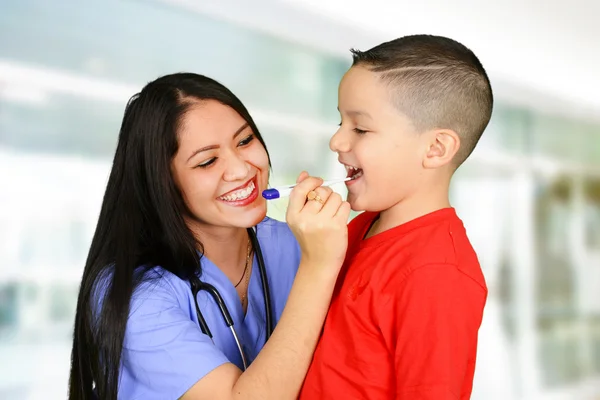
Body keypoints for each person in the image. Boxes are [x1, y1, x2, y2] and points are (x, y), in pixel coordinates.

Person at [67, 72, 351, 400]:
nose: (243, 170)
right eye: (208, 161)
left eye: (245, 141)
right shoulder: (134, 295)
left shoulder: (294, 244)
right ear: (163, 184)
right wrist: (317, 268)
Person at [299, 34, 493, 399]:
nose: (337, 142)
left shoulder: (438, 274)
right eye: (340, 122)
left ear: (435, 149)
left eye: (359, 128)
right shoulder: (358, 227)